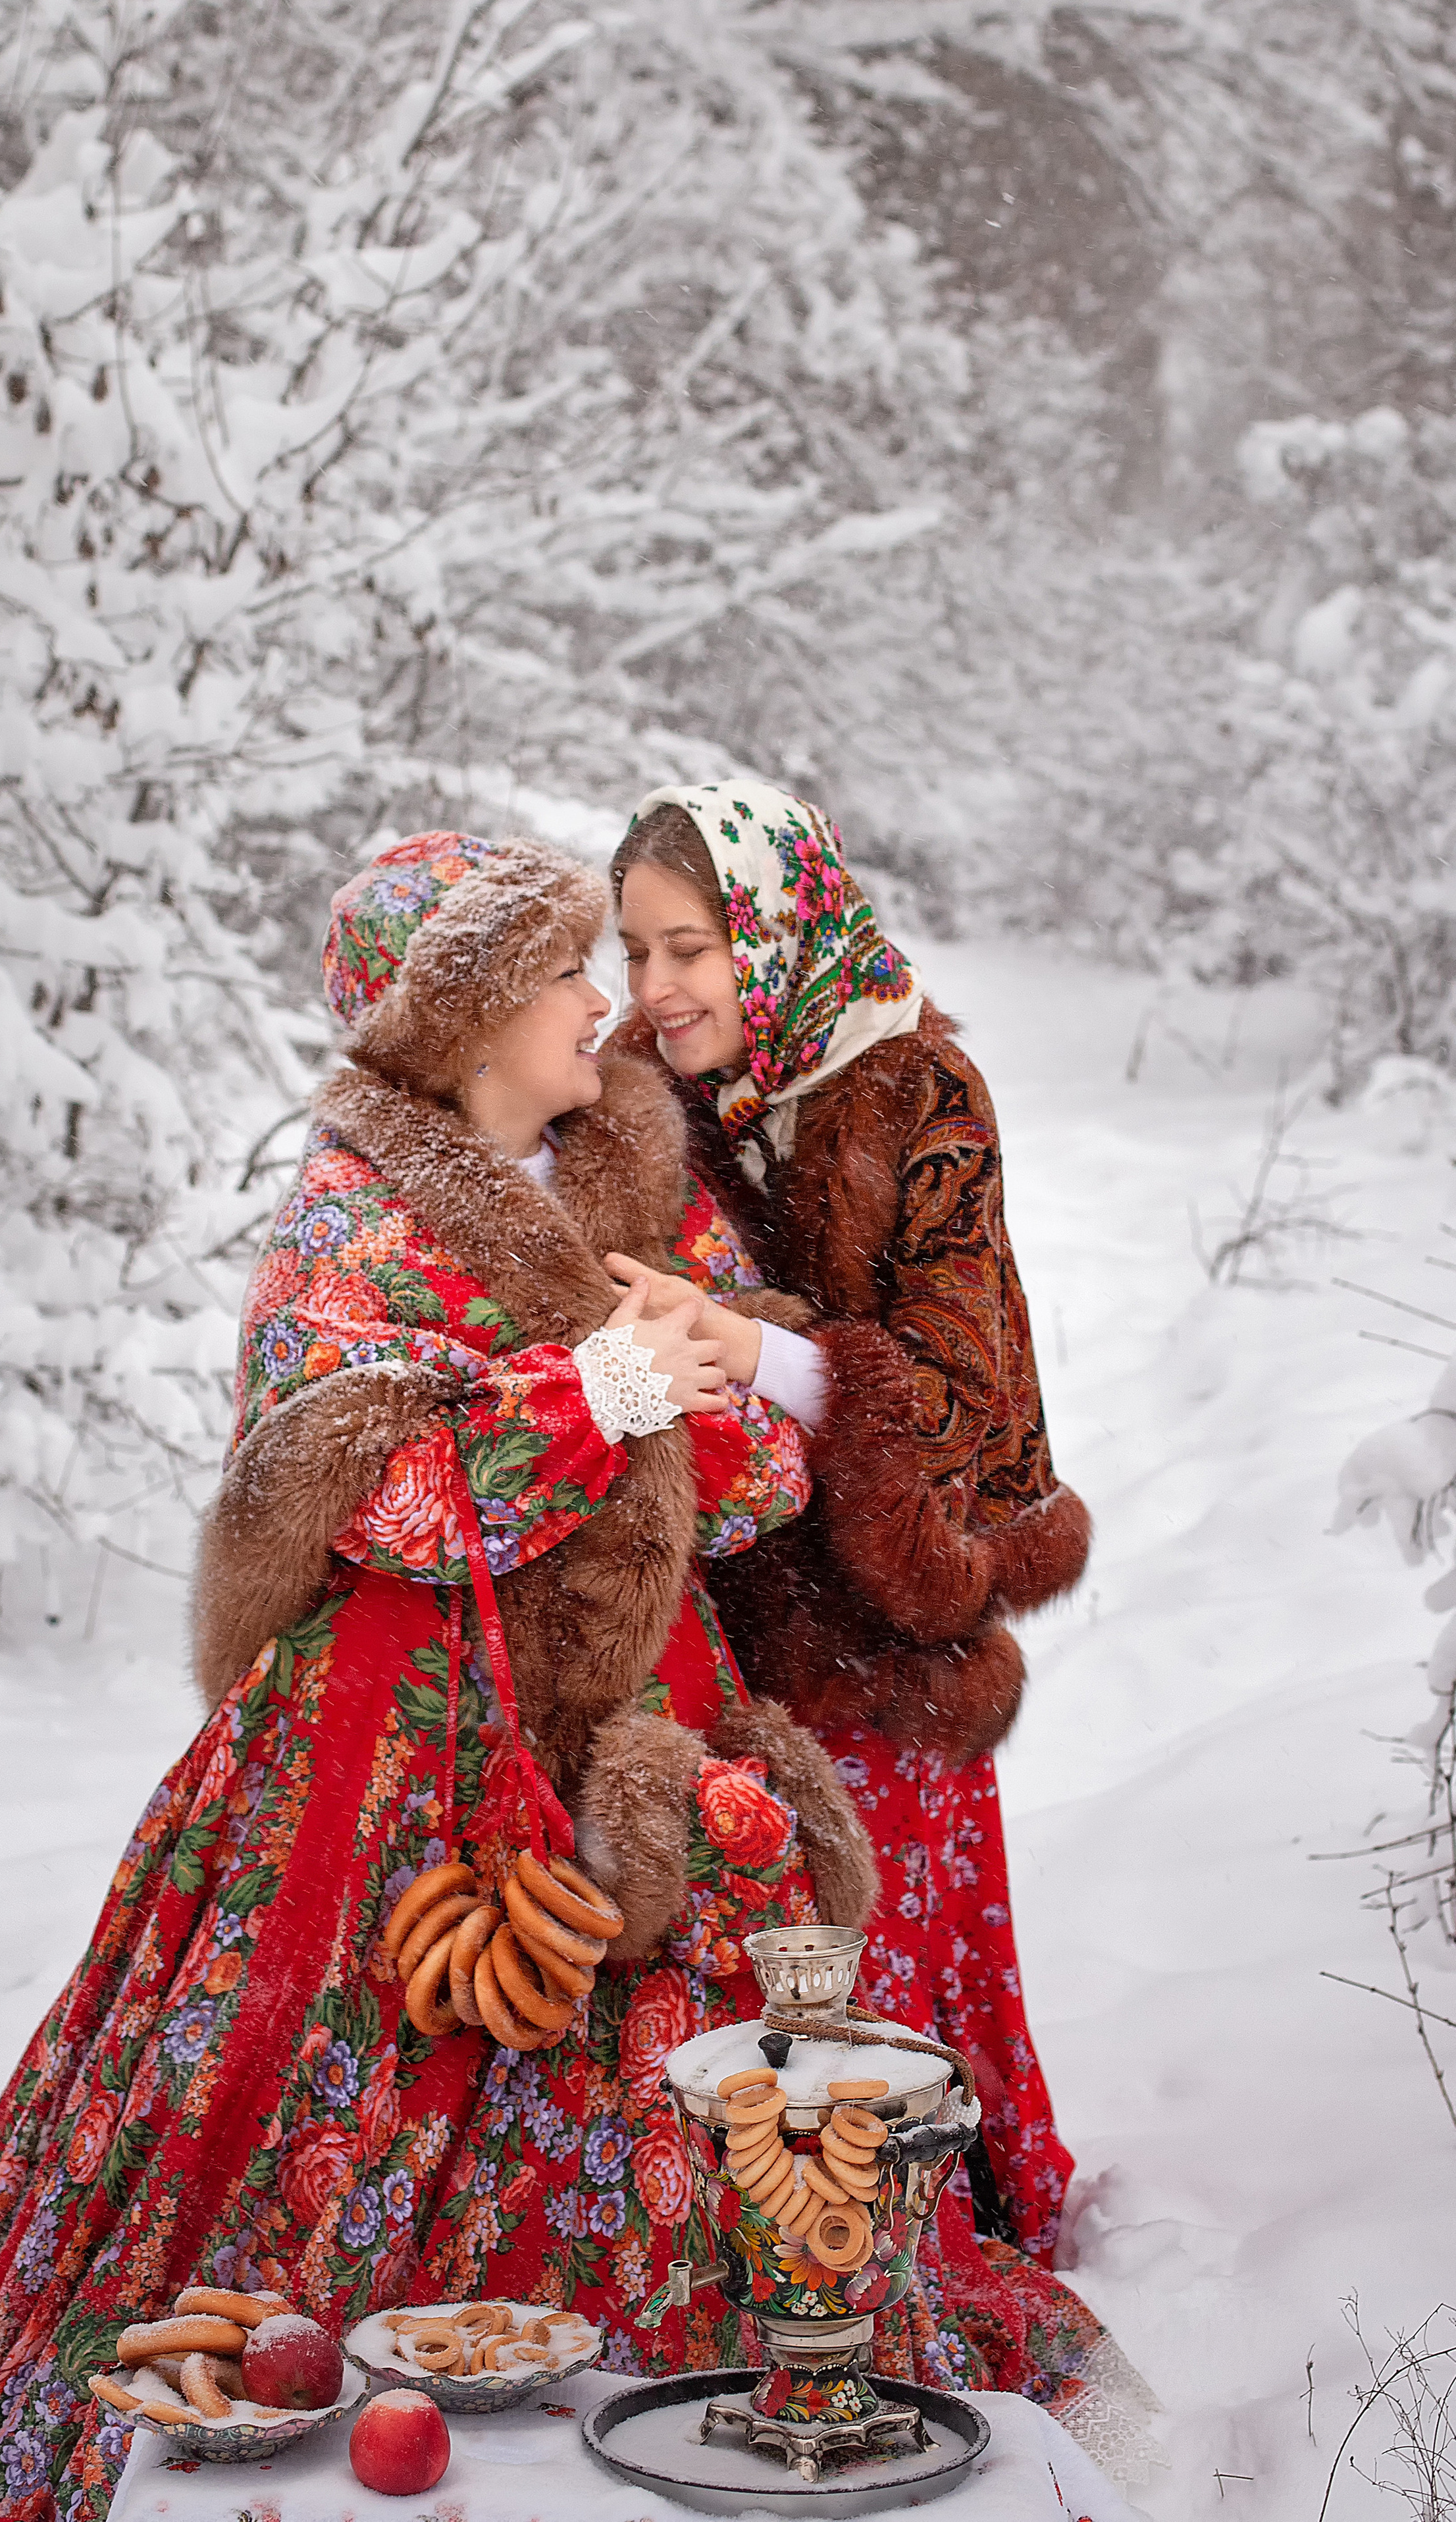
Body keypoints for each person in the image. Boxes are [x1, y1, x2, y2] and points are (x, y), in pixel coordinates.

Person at [0, 830, 876, 2522]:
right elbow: (381, 1510)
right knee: (339, 2056)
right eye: (564, 977)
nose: (605, 1004)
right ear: (468, 1024)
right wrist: (601, 1399)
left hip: (630, 1710)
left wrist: (692, 1393)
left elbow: (760, 1480)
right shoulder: (341, 1228)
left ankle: (659, 2415)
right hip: (385, 1736)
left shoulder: (630, 1186)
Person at [608, 781, 1131, 2429]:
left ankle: (920, 2265)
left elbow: (970, 1410)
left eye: (690, 945)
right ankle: (787, 2288)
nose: (658, 986)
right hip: (727, 1651)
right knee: (757, 2048)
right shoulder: (659, 1103)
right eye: (632, 950)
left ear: (771, 929)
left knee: (880, 2016)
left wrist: (749, 1349)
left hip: (881, 1655)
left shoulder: (913, 1091)